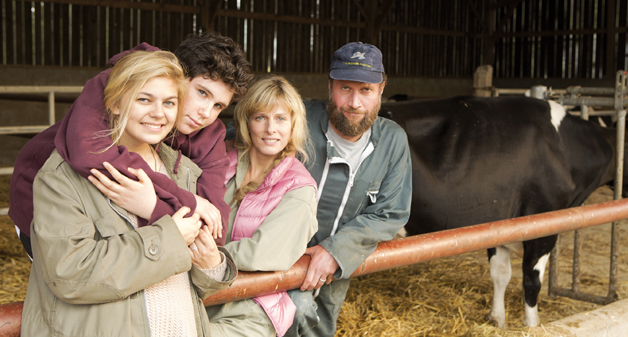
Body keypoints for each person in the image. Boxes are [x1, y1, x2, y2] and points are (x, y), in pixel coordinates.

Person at [21, 50, 237, 337]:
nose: (158, 113)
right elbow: (69, 274)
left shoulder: (183, 170)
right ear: (115, 103)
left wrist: (213, 266)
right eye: (144, 99)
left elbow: (195, 273)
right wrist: (168, 236)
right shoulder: (63, 176)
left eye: (169, 103)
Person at [9, 33, 253, 258]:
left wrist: (154, 208)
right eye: (202, 93)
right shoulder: (125, 83)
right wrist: (187, 201)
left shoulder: (209, 135)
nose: (205, 113)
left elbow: (214, 221)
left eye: (219, 106)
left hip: (120, 219)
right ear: (177, 74)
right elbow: (89, 155)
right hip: (47, 201)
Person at [284, 42, 413, 337]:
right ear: (330, 86)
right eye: (345, 88)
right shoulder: (293, 118)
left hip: (334, 266)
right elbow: (233, 148)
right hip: (275, 258)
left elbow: (390, 213)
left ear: (381, 89)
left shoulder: (392, 141)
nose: (354, 102)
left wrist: (336, 251)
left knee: (319, 326)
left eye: (365, 90)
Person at [207, 76, 318, 337]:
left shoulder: (299, 188)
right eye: (260, 117)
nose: (271, 129)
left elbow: (262, 253)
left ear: (293, 124)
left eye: (280, 118)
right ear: (247, 121)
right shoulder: (220, 158)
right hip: (203, 293)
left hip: (250, 307)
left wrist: (197, 256)